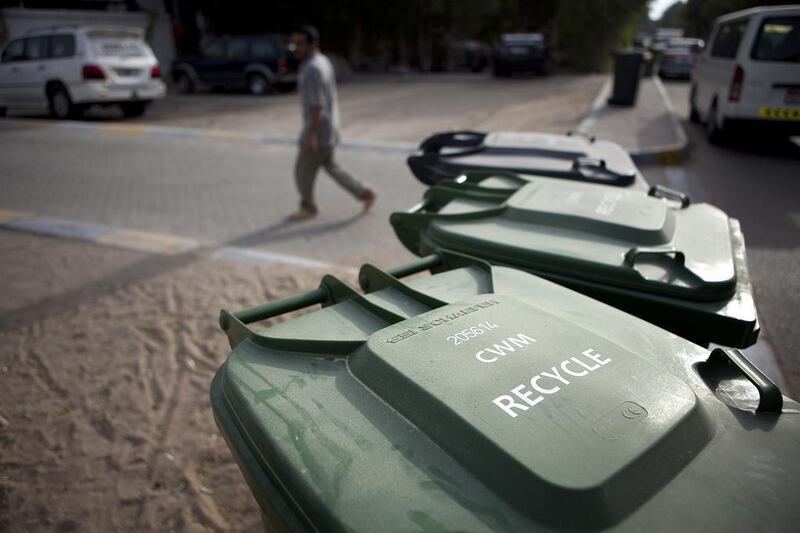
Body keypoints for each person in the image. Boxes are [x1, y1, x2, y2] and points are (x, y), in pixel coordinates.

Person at [287, 25, 376, 221]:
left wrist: (310, 136)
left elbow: (316, 107)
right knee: (332, 167)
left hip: (317, 133)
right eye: (294, 44)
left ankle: (308, 208)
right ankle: (364, 192)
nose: (296, 48)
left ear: (313, 44)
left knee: (302, 173)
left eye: (300, 44)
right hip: (329, 130)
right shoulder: (323, 61)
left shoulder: (311, 69)